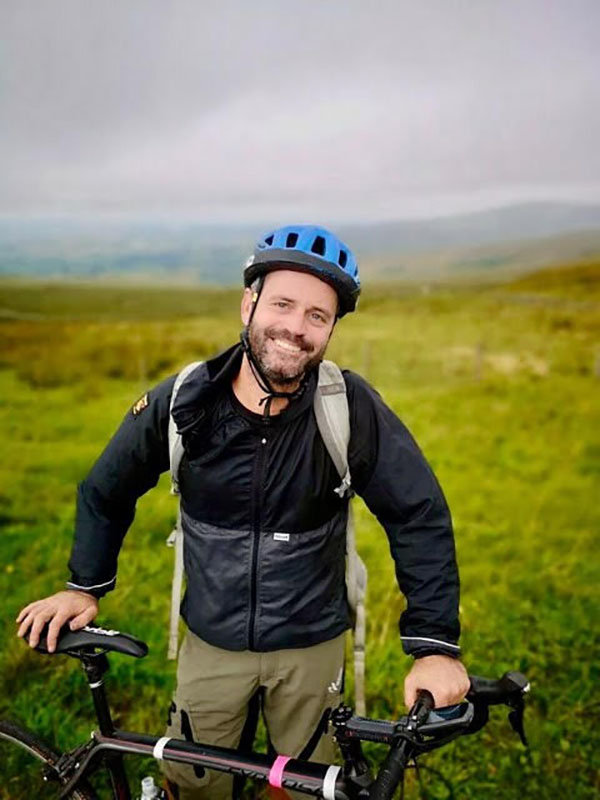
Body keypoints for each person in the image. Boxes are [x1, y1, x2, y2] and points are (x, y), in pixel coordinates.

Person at [17, 225, 469, 799]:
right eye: (283, 304)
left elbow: (418, 513)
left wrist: (433, 647)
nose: (296, 328)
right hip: (212, 641)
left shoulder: (347, 408)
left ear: (331, 328)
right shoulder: (183, 400)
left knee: (311, 786)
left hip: (312, 644)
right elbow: (106, 489)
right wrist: (84, 587)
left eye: (317, 316)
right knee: (197, 786)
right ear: (249, 302)